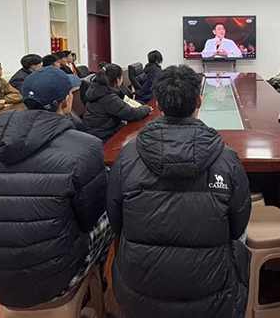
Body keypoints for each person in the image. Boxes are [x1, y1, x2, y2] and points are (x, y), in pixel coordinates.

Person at [107, 65, 251, 318]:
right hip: (214, 298)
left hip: (137, 298)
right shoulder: (226, 157)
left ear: (158, 105)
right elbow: (237, 226)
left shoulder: (127, 155)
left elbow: (116, 221)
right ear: (199, 102)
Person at [0, 66, 112, 309]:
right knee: (112, 211)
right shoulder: (85, 146)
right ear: (67, 100)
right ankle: (97, 280)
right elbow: (91, 216)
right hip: (54, 279)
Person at [83, 63, 152, 143]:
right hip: (102, 137)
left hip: (96, 132)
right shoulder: (108, 97)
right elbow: (131, 114)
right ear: (117, 80)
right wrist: (147, 108)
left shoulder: (98, 90)